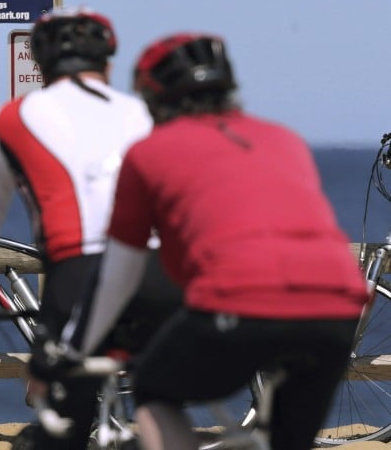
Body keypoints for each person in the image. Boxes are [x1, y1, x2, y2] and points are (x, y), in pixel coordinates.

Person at [52, 33, 368, 450]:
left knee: (153, 388)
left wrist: (74, 351)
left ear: (154, 97)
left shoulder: (149, 153)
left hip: (239, 299)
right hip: (341, 304)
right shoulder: (284, 139)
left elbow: (118, 273)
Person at [0, 8, 178, 450]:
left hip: (82, 274)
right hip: (162, 272)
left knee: (58, 413)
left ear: (42, 66)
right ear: (108, 65)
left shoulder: (13, 118)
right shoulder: (143, 113)